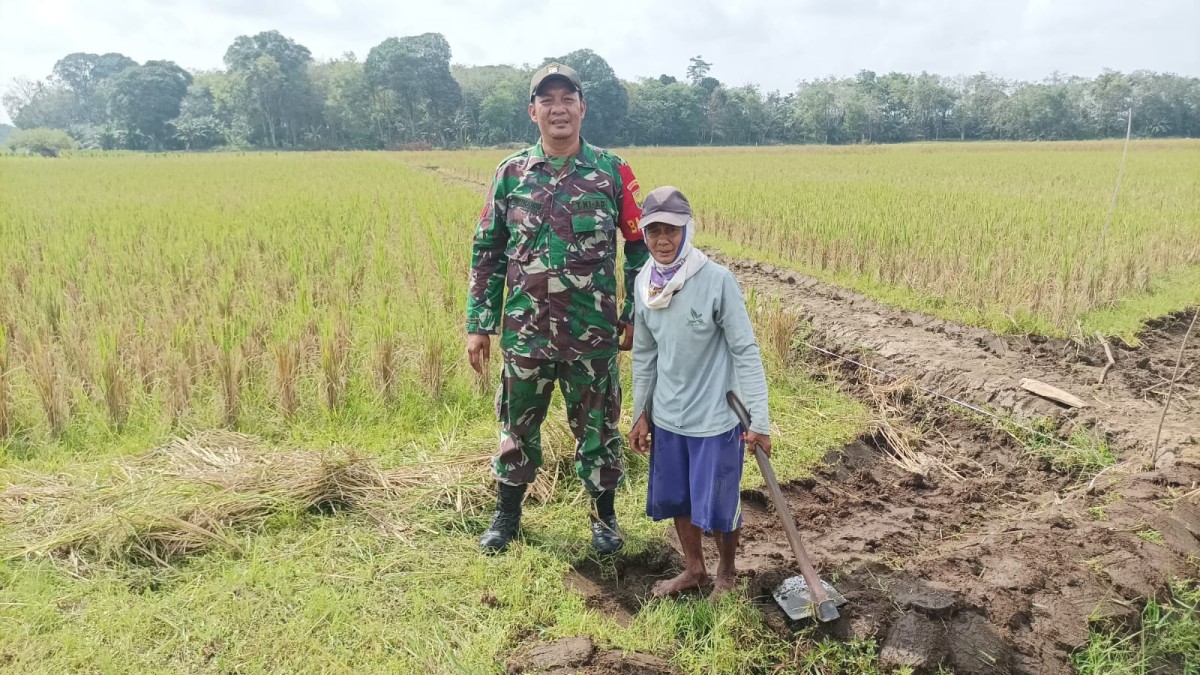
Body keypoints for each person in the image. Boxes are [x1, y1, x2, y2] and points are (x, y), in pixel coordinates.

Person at [466, 62, 650, 554]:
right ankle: (507, 519)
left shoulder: (612, 171)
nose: (558, 108)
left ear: (582, 108)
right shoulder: (511, 173)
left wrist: (635, 311)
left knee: (599, 431)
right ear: (533, 112)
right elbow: (487, 250)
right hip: (525, 333)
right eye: (547, 100)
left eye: (567, 98)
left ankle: (603, 520)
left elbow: (638, 247)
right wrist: (479, 324)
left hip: (592, 335)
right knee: (516, 427)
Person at [628, 186, 772, 599]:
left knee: (721, 503)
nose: (662, 240)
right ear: (644, 232)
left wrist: (758, 420)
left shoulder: (715, 280)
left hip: (716, 417)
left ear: (687, 229)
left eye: (671, 229)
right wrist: (641, 413)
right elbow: (644, 354)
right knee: (678, 498)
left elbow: (745, 350)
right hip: (669, 415)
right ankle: (694, 569)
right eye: (653, 230)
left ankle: (726, 572)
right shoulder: (644, 284)